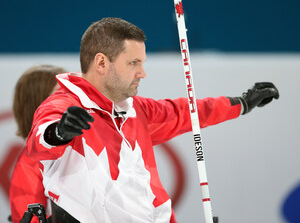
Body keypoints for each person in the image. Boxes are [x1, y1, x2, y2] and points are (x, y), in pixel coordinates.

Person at [24, 17, 279, 223]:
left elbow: (187, 111)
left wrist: (242, 103)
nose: (142, 73)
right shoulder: (64, 105)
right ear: (101, 63)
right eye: (133, 63)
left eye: (142, 63)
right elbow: (38, 144)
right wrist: (59, 133)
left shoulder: (135, 110)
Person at [10, 64, 66, 223]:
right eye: (60, 93)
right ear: (38, 103)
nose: (71, 98)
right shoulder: (30, 162)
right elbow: (29, 219)